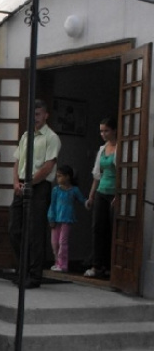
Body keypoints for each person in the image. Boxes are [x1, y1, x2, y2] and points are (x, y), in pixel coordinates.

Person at [9, 99, 61, 289]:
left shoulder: (51, 137)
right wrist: (16, 182)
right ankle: (22, 269)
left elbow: (48, 166)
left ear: (46, 115)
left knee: (34, 232)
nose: (35, 118)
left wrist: (30, 183)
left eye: (38, 115)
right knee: (15, 229)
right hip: (21, 185)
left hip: (39, 186)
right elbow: (17, 161)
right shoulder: (25, 136)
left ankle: (34, 275)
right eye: (33, 115)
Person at [84, 117, 118, 278]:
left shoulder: (121, 148)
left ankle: (113, 266)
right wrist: (91, 196)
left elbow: (125, 173)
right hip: (101, 191)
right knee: (98, 228)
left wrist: (119, 195)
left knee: (113, 230)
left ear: (114, 130)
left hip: (114, 192)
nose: (103, 134)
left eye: (106, 130)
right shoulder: (102, 149)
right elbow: (97, 175)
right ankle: (97, 265)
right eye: (101, 131)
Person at [48, 165, 86, 273]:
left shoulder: (74, 190)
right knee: (54, 243)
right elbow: (52, 205)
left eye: (60, 176)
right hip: (56, 219)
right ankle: (57, 262)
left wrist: (88, 202)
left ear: (67, 177)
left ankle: (63, 264)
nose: (57, 178)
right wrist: (51, 218)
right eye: (57, 176)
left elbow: (82, 200)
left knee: (62, 242)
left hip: (67, 219)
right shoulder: (56, 190)